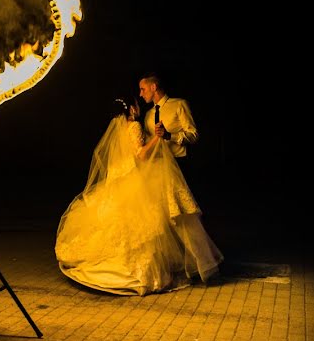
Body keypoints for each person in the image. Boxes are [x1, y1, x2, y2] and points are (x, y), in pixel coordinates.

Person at [55, 96, 222, 296]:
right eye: (136, 103)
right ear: (132, 109)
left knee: (122, 225)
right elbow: (140, 154)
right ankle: (142, 271)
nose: (139, 105)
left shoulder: (118, 128)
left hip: (121, 180)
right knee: (148, 224)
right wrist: (156, 138)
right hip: (137, 177)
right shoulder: (133, 125)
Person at [137, 71, 198, 175]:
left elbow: (193, 135)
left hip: (178, 165)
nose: (140, 94)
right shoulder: (148, 115)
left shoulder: (179, 104)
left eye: (143, 89)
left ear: (153, 87)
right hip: (155, 167)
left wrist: (169, 136)